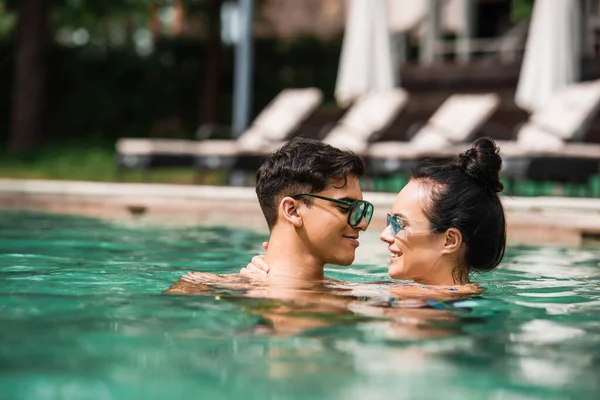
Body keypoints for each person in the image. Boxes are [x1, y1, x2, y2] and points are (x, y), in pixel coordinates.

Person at [241, 138, 507, 295]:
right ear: (292, 210)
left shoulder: (435, 302)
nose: (368, 226)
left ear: (450, 240)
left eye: (399, 223)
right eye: (347, 207)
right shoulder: (371, 295)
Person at [166, 136, 374, 294]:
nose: (362, 223)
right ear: (292, 210)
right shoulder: (198, 288)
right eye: (346, 207)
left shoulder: (359, 292)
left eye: (362, 209)